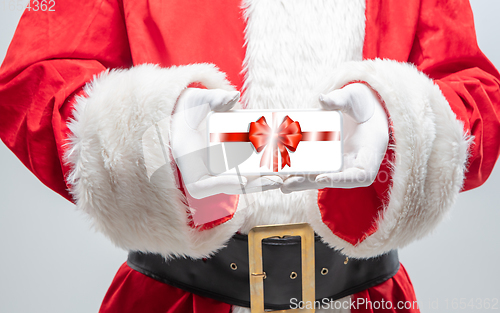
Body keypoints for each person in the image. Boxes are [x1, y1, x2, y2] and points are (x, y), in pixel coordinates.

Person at [1, 0, 499, 312]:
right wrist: (148, 131)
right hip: (175, 297)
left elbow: (477, 95)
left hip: (366, 297)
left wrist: (406, 120)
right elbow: (32, 82)